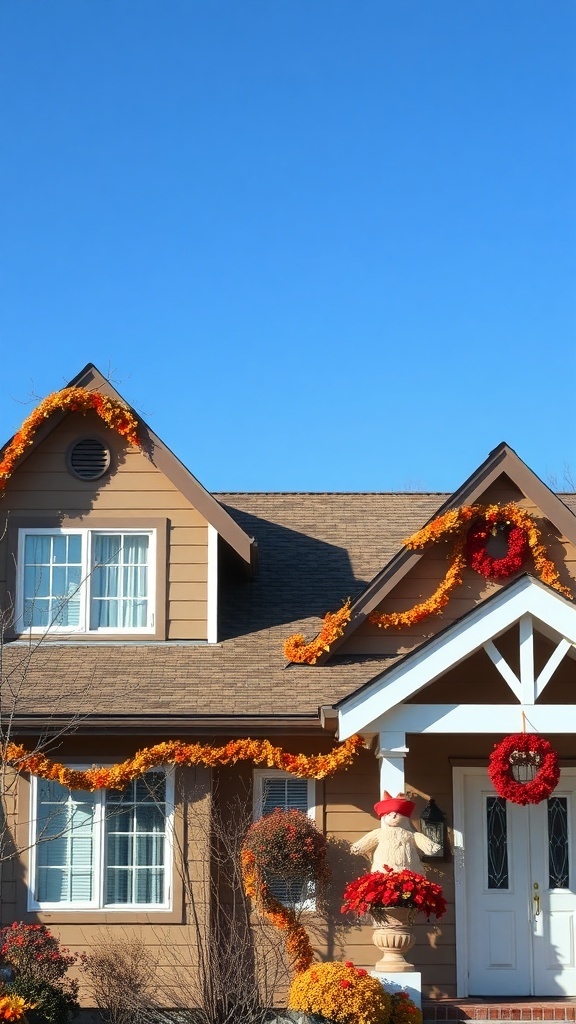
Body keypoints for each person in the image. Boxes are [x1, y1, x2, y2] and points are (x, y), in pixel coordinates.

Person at [351, 791, 440, 872]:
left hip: (408, 871)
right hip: (383, 871)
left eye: (397, 814)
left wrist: (430, 847)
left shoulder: (411, 834)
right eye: (389, 814)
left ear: (404, 818)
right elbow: (366, 842)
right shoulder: (379, 833)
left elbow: (420, 840)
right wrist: (358, 847)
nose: (393, 817)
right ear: (385, 817)